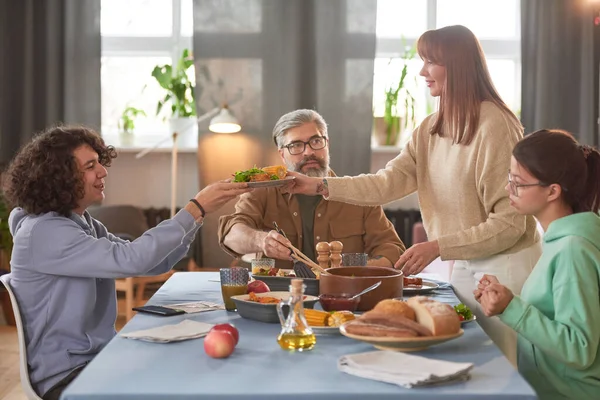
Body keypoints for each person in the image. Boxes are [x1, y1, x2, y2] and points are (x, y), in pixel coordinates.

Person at [284, 25, 541, 364]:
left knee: (499, 368)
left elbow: (509, 224)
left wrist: (437, 247)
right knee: (466, 359)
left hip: (506, 265)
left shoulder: (496, 125)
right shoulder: (431, 128)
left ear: (457, 66)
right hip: (464, 262)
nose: (422, 71)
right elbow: (386, 182)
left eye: (430, 62)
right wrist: (321, 185)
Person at [1, 125, 252, 400]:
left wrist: (196, 217)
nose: (103, 171)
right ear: (60, 177)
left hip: (98, 359)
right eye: (90, 166)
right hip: (68, 376)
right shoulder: (44, 232)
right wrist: (195, 208)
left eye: (99, 162)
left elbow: (149, 264)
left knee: (187, 364)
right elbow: (132, 259)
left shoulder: (82, 223)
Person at [474, 129, 600, 399]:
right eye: (510, 178)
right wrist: (505, 298)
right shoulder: (560, 240)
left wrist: (511, 307)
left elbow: (578, 348)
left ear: (552, 191)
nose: (508, 188)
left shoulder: (572, 250)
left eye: (517, 182)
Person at [219, 109, 405, 269]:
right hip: (280, 297)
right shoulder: (263, 192)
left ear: (327, 144)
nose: (309, 152)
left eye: (316, 141)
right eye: (296, 145)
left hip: (343, 297)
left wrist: (356, 271)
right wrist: (260, 241)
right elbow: (230, 235)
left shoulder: (355, 192)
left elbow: (391, 248)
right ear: (282, 155)